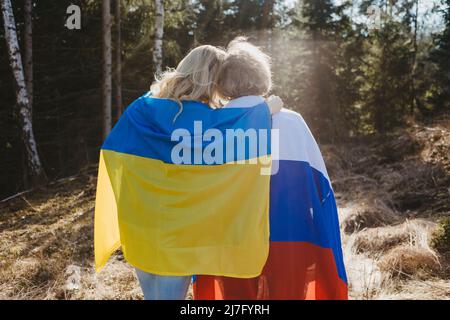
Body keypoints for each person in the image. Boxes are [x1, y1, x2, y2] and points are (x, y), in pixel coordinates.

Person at [94, 44, 282, 300]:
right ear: (212, 79)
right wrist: (266, 108)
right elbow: (239, 132)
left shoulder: (142, 107)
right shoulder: (205, 118)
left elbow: (116, 152)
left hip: (141, 223)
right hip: (180, 231)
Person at [193, 37, 348, 300]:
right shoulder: (292, 122)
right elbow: (323, 190)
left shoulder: (213, 125)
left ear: (223, 82)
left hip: (232, 238)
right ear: (262, 76)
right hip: (290, 236)